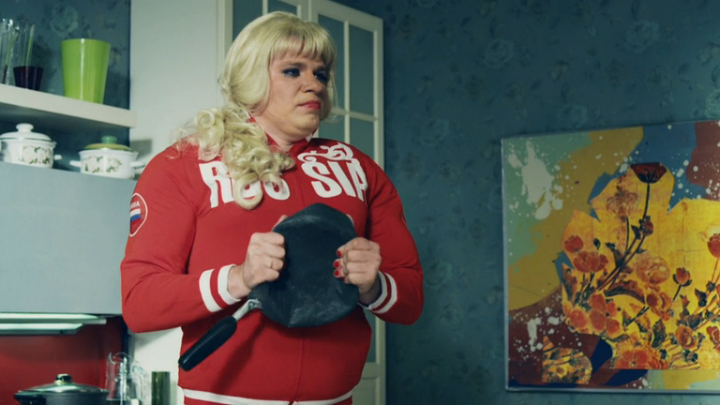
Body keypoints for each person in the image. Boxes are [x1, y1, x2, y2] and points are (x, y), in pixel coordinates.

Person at [121, 11, 423, 405]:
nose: (314, 84)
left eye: (321, 73)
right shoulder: (183, 164)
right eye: (293, 71)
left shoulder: (359, 168)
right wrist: (239, 278)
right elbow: (140, 303)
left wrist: (373, 285)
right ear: (252, 76)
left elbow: (411, 301)